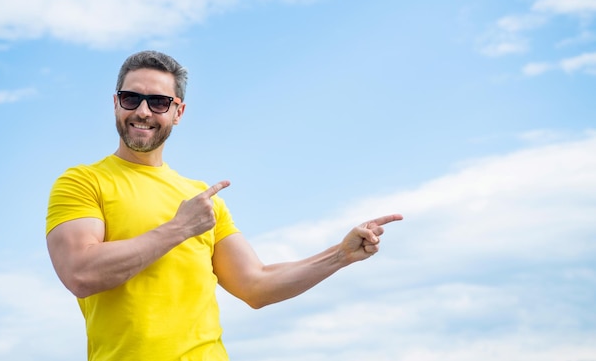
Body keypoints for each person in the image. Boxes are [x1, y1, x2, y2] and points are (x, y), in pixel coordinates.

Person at [45, 50, 403, 361]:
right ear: (115, 102)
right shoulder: (83, 182)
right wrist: (179, 229)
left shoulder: (201, 198)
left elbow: (256, 285)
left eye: (158, 102)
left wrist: (339, 255)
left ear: (178, 111)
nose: (142, 111)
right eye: (130, 98)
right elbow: (81, 273)